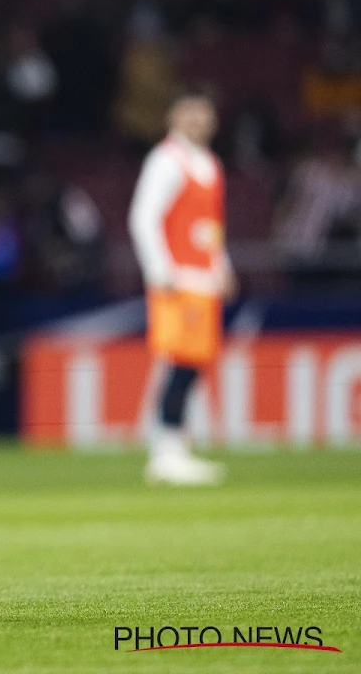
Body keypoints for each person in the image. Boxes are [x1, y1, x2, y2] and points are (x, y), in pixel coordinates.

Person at [129, 91, 235, 485]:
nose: (197, 121)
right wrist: (160, 270)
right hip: (179, 280)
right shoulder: (166, 161)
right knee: (180, 363)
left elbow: (210, 226)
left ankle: (175, 447)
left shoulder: (209, 163)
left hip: (203, 279)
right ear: (173, 118)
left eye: (204, 114)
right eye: (189, 113)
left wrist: (222, 265)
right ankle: (166, 451)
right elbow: (143, 216)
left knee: (193, 365)